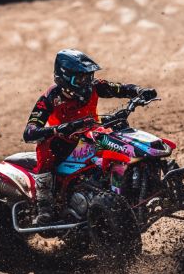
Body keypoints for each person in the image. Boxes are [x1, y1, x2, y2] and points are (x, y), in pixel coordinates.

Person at [23, 49, 157, 225]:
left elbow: (120, 88)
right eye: (80, 79)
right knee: (45, 146)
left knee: (119, 134)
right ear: (64, 78)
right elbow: (30, 132)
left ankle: (131, 184)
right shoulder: (50, 98)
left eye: (88, 76)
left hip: (92, 133)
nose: (86, 82)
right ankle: (44, 206)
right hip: (63, 142)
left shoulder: (95, 86)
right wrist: (58, 129)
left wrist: (139, 91)